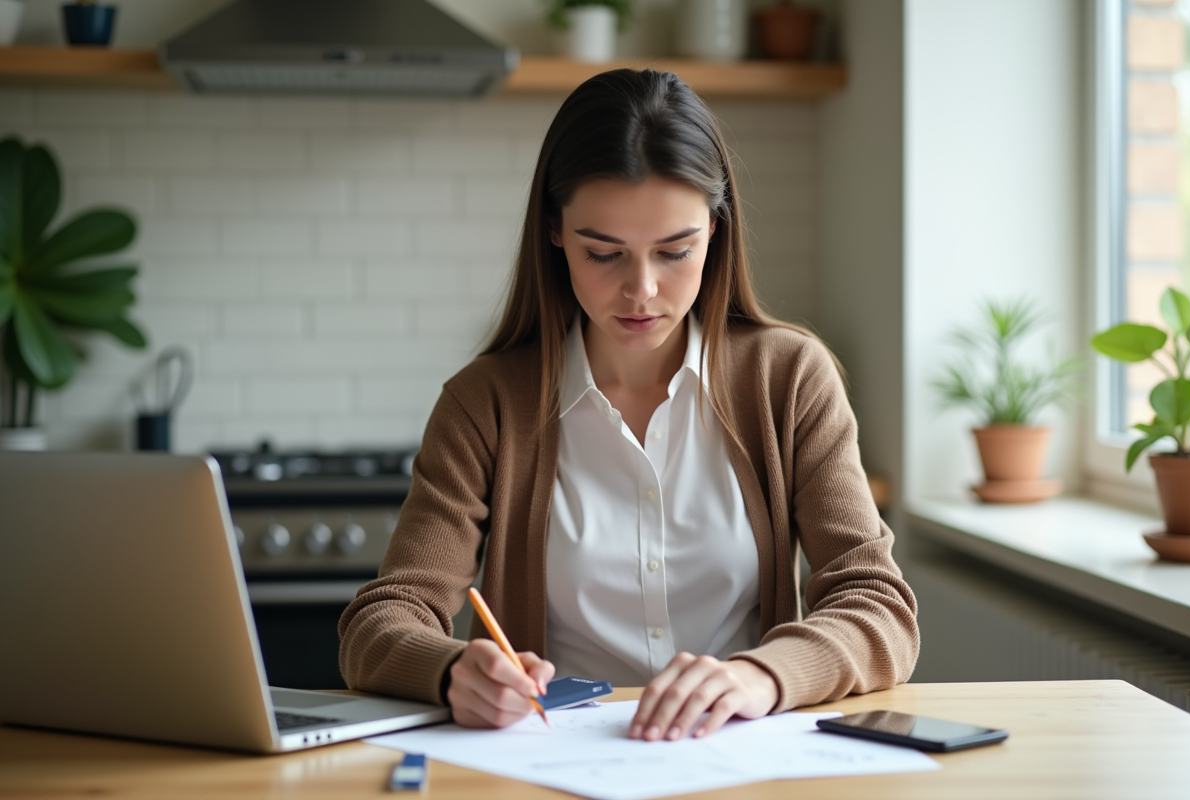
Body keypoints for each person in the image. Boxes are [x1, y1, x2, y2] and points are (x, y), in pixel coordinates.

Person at [339, 68, 919, 742]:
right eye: (603, 253)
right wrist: (449, 671)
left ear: (716, 230)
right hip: (553, 770)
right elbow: (379, 623)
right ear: (556, 233)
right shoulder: (486, 404)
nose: (641, 290)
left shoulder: (788, 378)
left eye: (675, 251)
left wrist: (759, 676)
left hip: (738, 763)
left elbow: (880, 608)